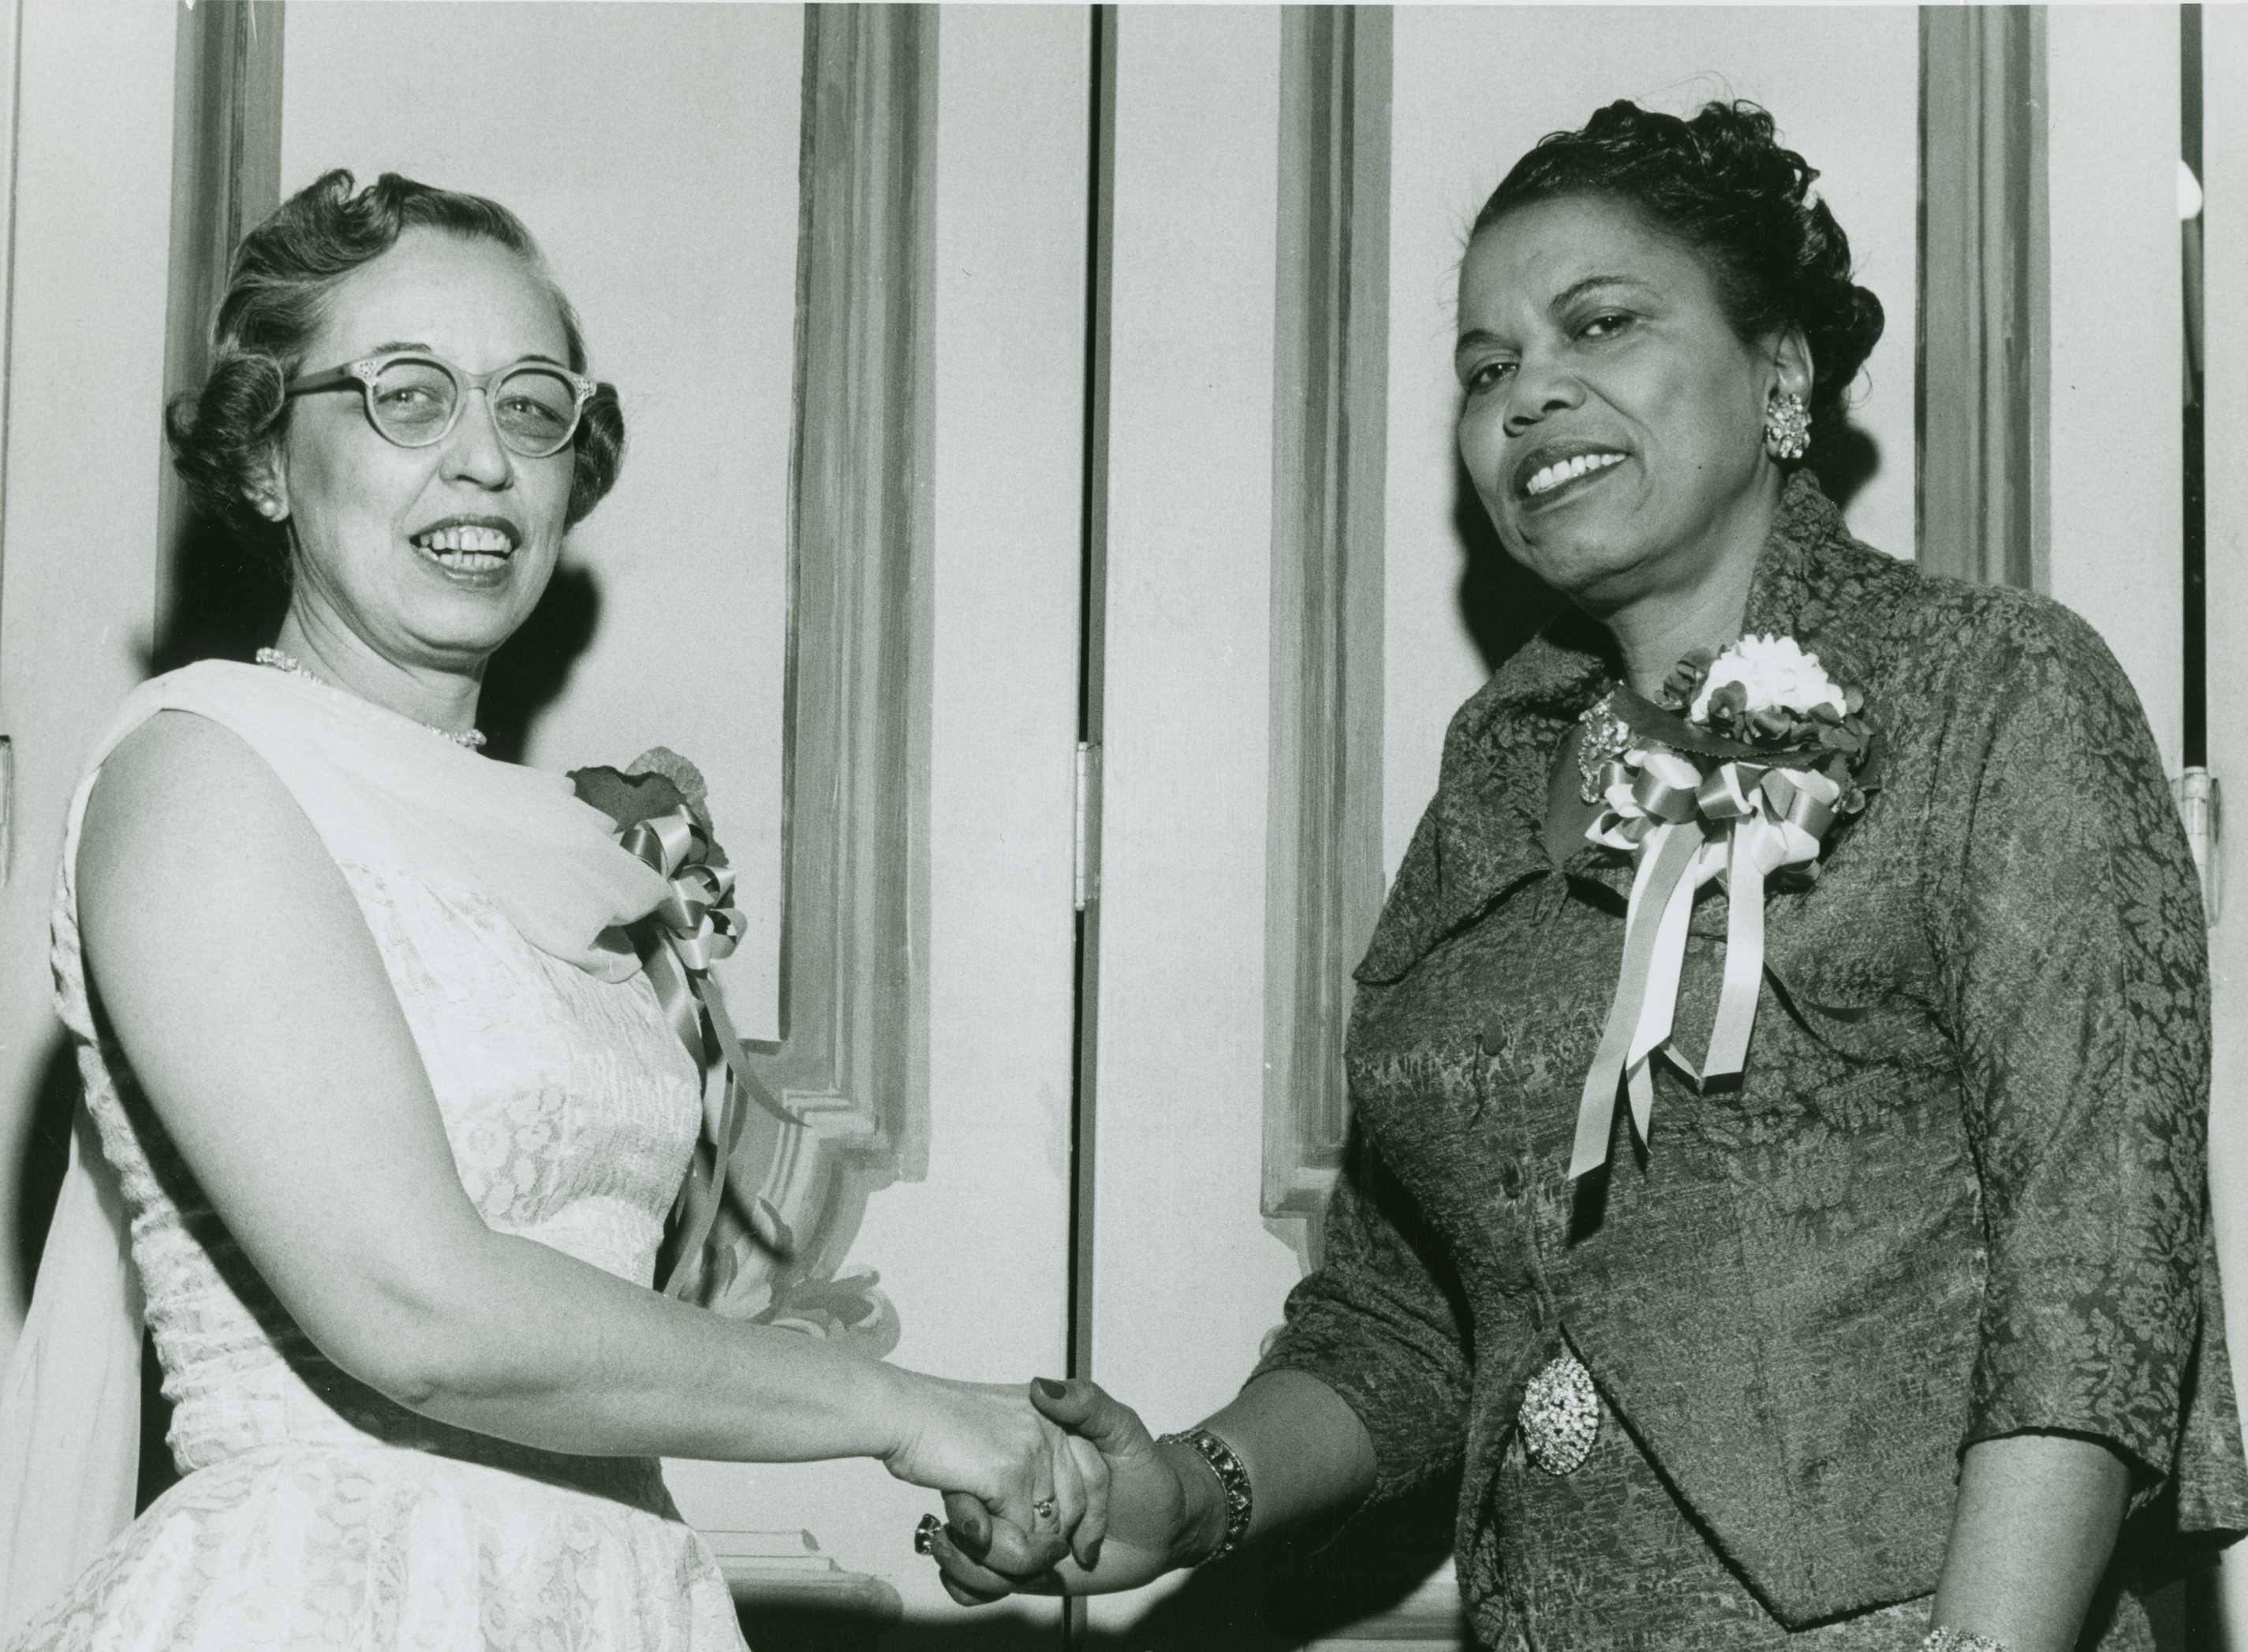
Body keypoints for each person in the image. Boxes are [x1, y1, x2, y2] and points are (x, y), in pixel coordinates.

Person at [924, 100, 2248, 1650]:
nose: (1529, 393)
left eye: (1599, 324)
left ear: (1781, 377)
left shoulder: (1994, 686)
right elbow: (1407, 1310)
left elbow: (2095, 1258)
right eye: (1487, 372)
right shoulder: (1494, 772)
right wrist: (1174, 1492)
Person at [0, 170, 1103, 1650]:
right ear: (265, 455)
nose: (483, 462)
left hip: (611, 1592)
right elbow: (419, 1310)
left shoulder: (573, 845)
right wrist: (906, 1415)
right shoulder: (199, 775)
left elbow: (601, 1316)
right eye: (406, 396)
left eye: (530, 407)